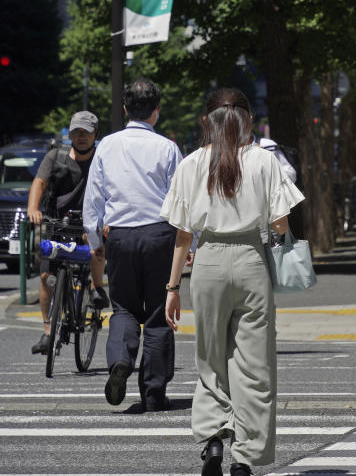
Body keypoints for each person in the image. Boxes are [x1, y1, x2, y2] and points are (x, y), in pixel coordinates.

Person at [161, 88, 304, 476]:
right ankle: (245, 456)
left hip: (206, 262)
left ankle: (211, 442)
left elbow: (182, 235)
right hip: (249, 260)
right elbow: (279, 223)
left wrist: (173, 288)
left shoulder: (192, 163)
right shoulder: (264, 161)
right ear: (248, 120)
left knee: (209, 358)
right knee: (254, 366)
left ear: (207, 121)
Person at [83, 79, 182, 411]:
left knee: (123, 307)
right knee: (157, 313)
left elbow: (93, 200)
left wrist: (96, 239)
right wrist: (188, 244)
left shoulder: (107, 146)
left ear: (125, 109)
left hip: (120, 235)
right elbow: (181, 201)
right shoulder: (168, 148)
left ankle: (120, 361)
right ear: (156, 112)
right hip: (159, 234)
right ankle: (153, 392)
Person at [26, 111, 108, 355]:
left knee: (94, 244)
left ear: (95, 134)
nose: (81, 137)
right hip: (57, 220)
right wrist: (33, 208)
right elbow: (39, 183)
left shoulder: (102, 158)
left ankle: (96, 287)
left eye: (86, 132)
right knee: (44, 276)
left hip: (88, 220)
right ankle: (48, 330)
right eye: (76, 132)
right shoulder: (56, 156)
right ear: (70, 134)